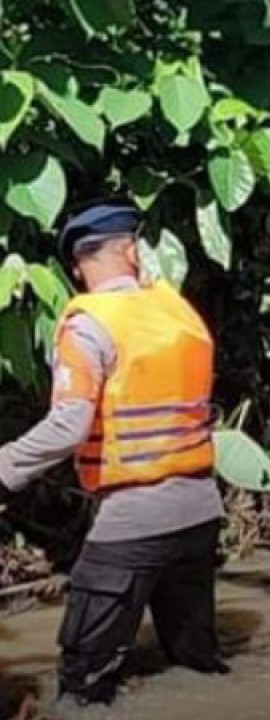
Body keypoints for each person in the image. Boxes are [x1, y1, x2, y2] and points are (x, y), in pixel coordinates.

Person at [0, 201, 228, 706]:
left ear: (79, 266)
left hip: (134, 521)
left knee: (82, 685)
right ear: (129, 250)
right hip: (200, 513)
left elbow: (67, 427)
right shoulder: (179, 310)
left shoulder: (89, 323)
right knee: (196, 662)